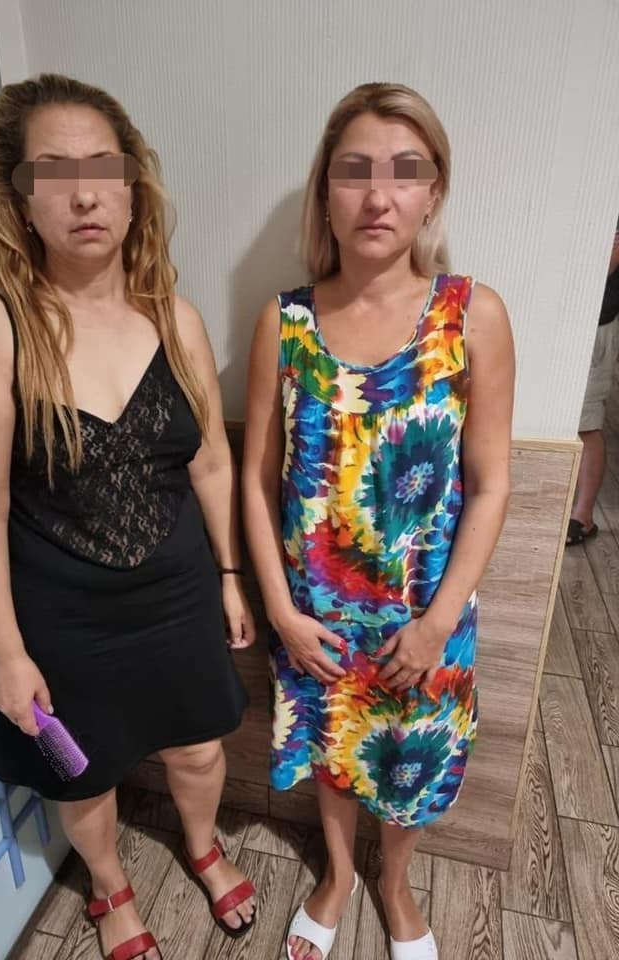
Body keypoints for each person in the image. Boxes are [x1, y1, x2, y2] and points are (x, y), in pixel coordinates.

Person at [0, 73, 257, 960]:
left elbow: (211, 462)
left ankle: (202, 846)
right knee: (83, 777)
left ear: (132, 187)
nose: (83, 194)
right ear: (21, 200)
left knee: (199, 751)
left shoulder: (176, 319)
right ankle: (111, 887)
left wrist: (231, 575)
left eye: (102, 168)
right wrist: (7, 655)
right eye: (53, 172)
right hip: (63, 621)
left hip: (180, 595)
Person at [243, 82, 514, 960]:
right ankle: (336, 874)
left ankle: (394, 884)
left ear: (434, 191)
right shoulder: (284, 322)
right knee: (334, 752)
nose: (378, 194)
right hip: (316, 617)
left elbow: (491, 484)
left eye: (405, 170)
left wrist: (438, 622)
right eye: (354, 170)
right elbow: (255, 479)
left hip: (427, 617)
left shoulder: (472, 315)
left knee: (410, 766)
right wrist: (281, 610)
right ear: (326, 188)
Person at [566, 221, 619, 545]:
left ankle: (583, 516)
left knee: (587, 424)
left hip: (596, 325)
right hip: (566, 320)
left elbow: (604, 266)